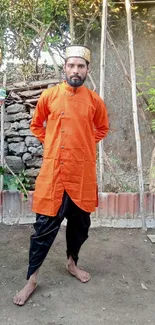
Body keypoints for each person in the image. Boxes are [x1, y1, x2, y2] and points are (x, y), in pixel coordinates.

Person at [13, 45, 109, 306]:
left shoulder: (94, 101)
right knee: (42, 229)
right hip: (54, 174)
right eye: (71, 65)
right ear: (64, 68)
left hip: (81, 174)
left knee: (80, 227)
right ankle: (31, 279)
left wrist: (85, 144)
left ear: (87, 69)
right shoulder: (50, 95)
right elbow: (36, 124)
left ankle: (71, 263)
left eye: (81, 66)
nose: (76, 70)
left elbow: (102, 128)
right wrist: (52, 143)